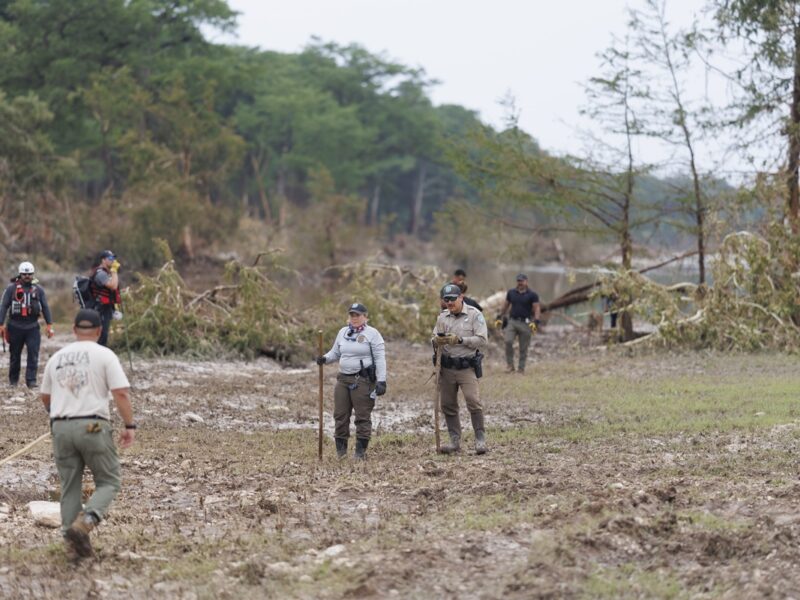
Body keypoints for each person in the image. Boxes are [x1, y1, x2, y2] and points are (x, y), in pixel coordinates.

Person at [40, 308, 135, 559]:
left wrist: (58, 413)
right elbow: (121, 393)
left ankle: (72, 546)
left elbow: (45, 396)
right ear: (100, 330)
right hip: (93, 426)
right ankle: (86, 521)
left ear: (73, 330)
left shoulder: (57, 357)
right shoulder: (105, 355)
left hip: (60, 427)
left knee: (70, 486)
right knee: (109, 480)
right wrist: (129, 425)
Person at [316, 303, 387, 460]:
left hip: (362, 380)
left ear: (365, 317)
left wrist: (382, 380)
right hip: (343, 379)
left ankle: (360, 454)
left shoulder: (373, 334)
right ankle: (341, 454)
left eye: (358, 315)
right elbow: (335, 352)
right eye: (352, 315)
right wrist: (325, 359)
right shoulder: (343, 332)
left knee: (362, 416)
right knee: (340, 415)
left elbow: (380, 358)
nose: (354, 318)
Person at [432, 283, 488, 454]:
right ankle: (454, 441)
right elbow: (433, 338)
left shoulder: (474, 315)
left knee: (473, 401)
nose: (449, 302)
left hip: (466, 367)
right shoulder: (442, 317)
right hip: (447, 368)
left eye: (452, 299)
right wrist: (437, 341)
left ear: (461, 297)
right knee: (448, 405)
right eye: (446, 299)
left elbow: (482, 340)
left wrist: (461, 340)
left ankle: (480, 440)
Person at [0, 261, 54, 388]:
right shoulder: (11, 288)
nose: (27, 276)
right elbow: (3, 306)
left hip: (32, 327)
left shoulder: (39, 290)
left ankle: (31, 381)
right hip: (15, 326)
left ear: (33, 274)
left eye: (29, 274)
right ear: (20, 274)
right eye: (24, 274)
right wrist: (1, 324)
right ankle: (13, 381)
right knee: (14, 355)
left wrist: (49, 324)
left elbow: (45, 307)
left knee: (33, 355)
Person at [495, 273, 541, 374]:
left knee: (523, 347)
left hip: (526, 323)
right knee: (508, 341)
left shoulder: (532, 295)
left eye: (522, 281)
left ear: (526, 281)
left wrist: (536, 321)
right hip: (512, 321)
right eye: (518, 281)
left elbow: (537, 308)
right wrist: (499, 316)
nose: (520, 283)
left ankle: (521, 368)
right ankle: (510, 366)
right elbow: (505, 306)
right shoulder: (511, 293)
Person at [89, 250, 121, 347]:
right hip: (100, 308)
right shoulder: (101, 274)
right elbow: (113, 286)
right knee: (102, 336)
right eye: (110, 258)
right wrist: (114, 271)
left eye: (113, 258)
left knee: (104, 335)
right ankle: (98, 357)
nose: (113, 261)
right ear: (103, 260)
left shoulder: (107, 272)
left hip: (106, 308)